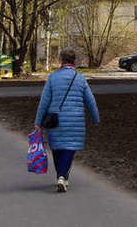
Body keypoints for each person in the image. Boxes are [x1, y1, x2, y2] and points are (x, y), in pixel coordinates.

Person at [34, 48, 99, 193]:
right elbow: (90, 101)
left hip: (55, 120)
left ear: (61, 60)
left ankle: (61, 176)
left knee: (57, 148)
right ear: (74, 61)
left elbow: (44, 102)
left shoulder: (53, 78)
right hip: (75, 121)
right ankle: (62, 176)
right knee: (69, 148)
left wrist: (38, 122)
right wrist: (95, 118)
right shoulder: (80, 78)